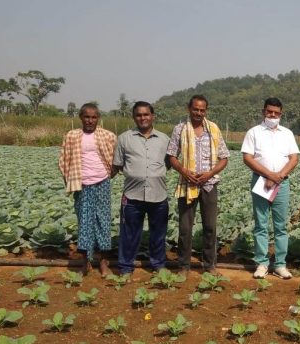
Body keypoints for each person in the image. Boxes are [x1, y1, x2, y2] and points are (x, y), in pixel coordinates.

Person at [167, 95, 230, 276]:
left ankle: (209, 265)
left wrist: (210, 174)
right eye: (195, 109)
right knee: (185, 227)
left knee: (210, 227)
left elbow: (224, 157)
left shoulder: (213, 129)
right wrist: (185, 171)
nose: (198, 113)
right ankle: (184, 266)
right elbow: (171, 156)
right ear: (189, 109)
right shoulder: (180, 129)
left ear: (206, 111)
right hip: (187, 185)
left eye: (202, 110)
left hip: (209, 184)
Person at [242, 97, 300, 279]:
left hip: (281, 183)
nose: (272, 115)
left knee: (281, 225)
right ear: (263, 112)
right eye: (269, 112)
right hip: (260, 182)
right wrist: (268, 175)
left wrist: (278, 176)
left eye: (276, 113)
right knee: (260, 224)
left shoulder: (287, 133)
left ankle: (280, 264)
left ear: (281, 114)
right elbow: (248, 158)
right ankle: (262, 263)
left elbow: (294, 158)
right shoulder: (254, 132)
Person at [58, 103, 117, 276]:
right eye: (87, 117)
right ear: (81, 118)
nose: (90, 120)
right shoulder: (72, 136)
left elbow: (118, 157)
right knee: (84, 222)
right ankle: (86, 262)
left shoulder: (108, 136)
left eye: (93, 117)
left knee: (103, 221)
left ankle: (104, 262)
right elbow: (63, 160)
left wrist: (110, 174)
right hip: (81, 184)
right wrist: (71, 179)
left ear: (98, 118)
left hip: (102, 182)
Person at [113, 101, 171, 276]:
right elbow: (118, 164)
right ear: (134, 117)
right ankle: (125, 267)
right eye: (139, 115)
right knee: (129, 234)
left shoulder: (164, 139)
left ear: (152, 116)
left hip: (158, 194)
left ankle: (158, 265)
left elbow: (168, 163)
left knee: (158, 234)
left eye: (146, 114)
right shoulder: (124, 138)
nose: (143, 118)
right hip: (132, 195)